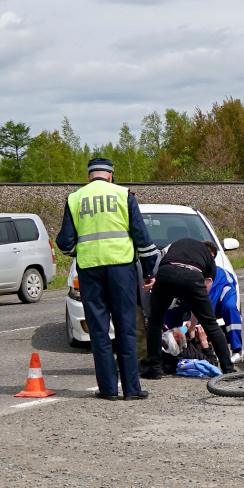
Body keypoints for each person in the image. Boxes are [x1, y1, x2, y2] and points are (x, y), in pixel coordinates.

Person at [57, 156, 159, 400]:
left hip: (90, 269)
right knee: (126, 329)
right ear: (111, 175)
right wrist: (148, 272)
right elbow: (142, 239)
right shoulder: (124, 195)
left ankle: (108, 390)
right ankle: (132, 390)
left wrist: (81, 252)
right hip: (121, 269)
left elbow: (64, 243)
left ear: (88, 176)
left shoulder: (75, 199)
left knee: (99, 331)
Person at [141, 237, 236, 379]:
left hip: (167, 272)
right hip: (192, 276)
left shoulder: (176, 244)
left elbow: (157, 263)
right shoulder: (210, 262)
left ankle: (155, 368)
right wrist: (194, 323)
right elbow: (206, 290)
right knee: (211, 324)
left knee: (155, 322)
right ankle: (228, 369)